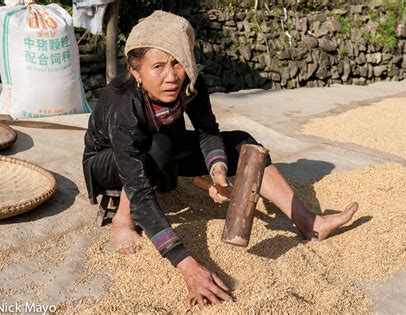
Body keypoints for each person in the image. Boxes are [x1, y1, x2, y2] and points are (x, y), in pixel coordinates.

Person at [82, 10, 359, 310]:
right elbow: (135, 180)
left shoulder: (189, 81)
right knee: (157, 148)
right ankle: (123, 220)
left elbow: (207, 132)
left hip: (168, 149)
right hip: (109, 163)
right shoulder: (123, 102)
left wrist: (218, 171)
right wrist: (188, 267)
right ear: (136, 72)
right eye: (158, 66)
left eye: (177, 62)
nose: (171, 76)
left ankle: (308, 222)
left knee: (241, 142)